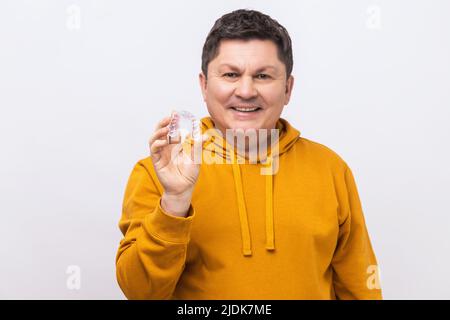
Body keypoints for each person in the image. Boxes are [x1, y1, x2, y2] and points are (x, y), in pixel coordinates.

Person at [115, 9, 382, 299]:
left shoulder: (330, 169)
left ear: (288, 89)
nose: (245, 91)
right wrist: (175, 202)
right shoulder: (158, 173)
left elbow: (360, 286)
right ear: (204, 85)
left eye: (263, 76)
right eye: (231, 74)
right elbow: (140, 292)